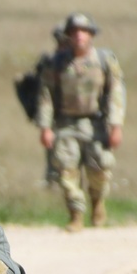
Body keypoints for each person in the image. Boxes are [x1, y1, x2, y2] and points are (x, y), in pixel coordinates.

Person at [35, 12, 126, 232]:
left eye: (83, 32)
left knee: (100, 169)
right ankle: (76, 214)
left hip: (95, 124)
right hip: (66, 124)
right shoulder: (57, 64)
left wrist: (116, 125)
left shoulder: (104, 61)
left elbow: (116, 92)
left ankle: (97, 204)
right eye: (74, 32)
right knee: (66, 169)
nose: (79, 36)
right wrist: (45, 127)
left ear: (91, 35)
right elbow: (45, 96)